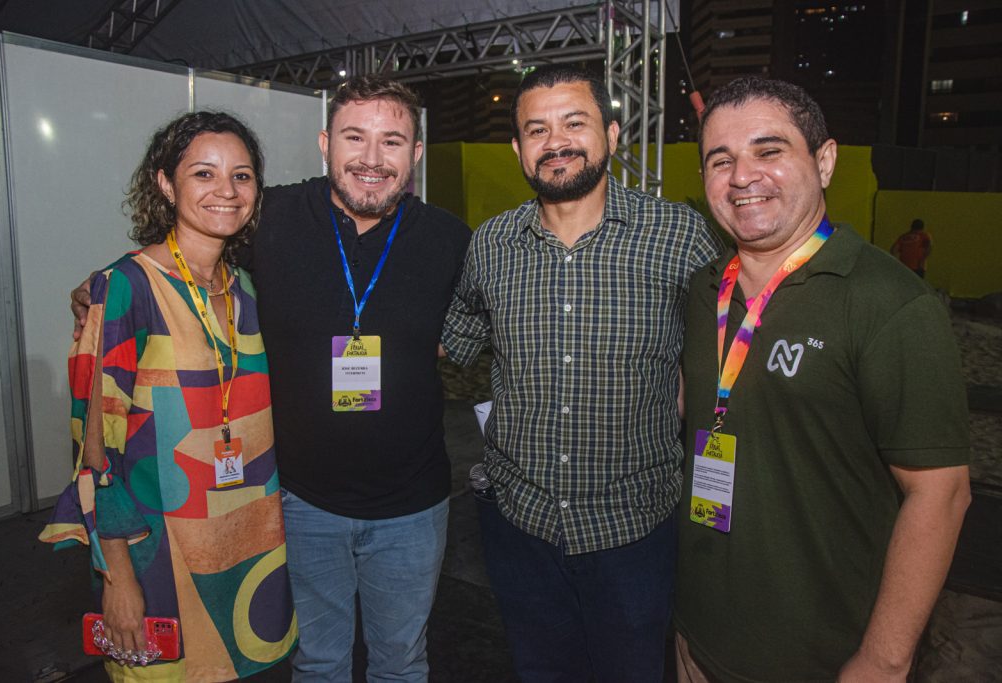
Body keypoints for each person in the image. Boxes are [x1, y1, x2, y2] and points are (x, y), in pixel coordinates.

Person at [72, 76, 471, 681]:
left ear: (416, 153)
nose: (370, 158)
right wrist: (97, 292)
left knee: (403, 662)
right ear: (324, 143)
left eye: (392, 141)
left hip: (414, 509)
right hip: (300, 503)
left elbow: (477, 328)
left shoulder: (449, 239)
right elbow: (184, 251)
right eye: (353, 137)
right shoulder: (270, 216)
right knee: (318, 662)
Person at [675, 77, 970, 682]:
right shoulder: (704, 289)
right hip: (700, 638)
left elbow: (939, 494)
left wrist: (883, 661)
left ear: (825, 160)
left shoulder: (888, 305)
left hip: (822, 657)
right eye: (720, 159)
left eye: (769, 150)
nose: (742, 175)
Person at [441, 64, 723, 681]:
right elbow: (454, 339)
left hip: (635, 532)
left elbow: (720, 359)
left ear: (613, 134)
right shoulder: (491, 245)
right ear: (517, 148)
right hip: (521, 528)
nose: (556, 141)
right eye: (536, 129)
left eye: (575, 122)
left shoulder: (677, 235)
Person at [41, 111, 297, 681]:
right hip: (162, 559)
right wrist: (119, 578)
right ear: (165, 183)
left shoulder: (246, 288)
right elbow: (94, 456)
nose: (226, 191)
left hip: (251, 548)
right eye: (203, 174)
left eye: (243, 176)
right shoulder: (126, 288)